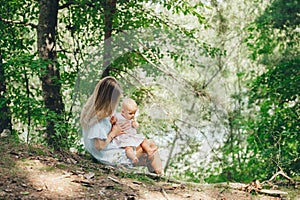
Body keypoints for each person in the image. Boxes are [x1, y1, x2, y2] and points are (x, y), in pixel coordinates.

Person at [80, 76, 163, 174]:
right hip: (107, 156)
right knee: (149, 147)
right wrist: (113, 133)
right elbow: (99, 146)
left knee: (149, 150)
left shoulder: (95, 112)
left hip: (107, 152)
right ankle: (161, 177)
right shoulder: (98, 119)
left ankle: (159, 175)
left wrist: (113, 125)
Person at [111, 98, 158, 164]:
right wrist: (113, 122)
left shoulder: (131, 119)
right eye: (130, 113)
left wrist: (135, 123)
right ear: (123, 112)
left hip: (131, 136)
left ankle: (149, 150)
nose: (132, 115)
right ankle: (133, 157)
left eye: (134, 113)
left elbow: (136, 126)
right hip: (123, 137)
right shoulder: (118, 116)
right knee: (128, 148)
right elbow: (112, 123)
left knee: (143, 139)